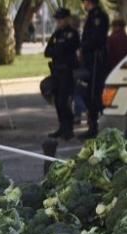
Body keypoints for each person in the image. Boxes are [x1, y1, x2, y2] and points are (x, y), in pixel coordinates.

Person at [45, 8, 79, 140]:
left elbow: (69, 49)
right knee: (58, 101)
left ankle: (68, 129)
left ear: (67, 19)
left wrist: (58, 50)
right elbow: (48, 51)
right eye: (57, 20)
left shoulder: (72, 34)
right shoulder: (57, 34)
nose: (58, 22)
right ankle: (61, 126)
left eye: (60, 19)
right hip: (56, 71)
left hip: (67, 71)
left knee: (64, 101)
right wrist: (57, 50)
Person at [78, 0, 109, 139]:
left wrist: (83, 47)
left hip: (96, 60)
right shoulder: (92, 15)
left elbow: (96, 39)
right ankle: (92, 124)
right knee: (88, 92)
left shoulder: (98, 16)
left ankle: (94, 126)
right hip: (90, 59)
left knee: (93, 93)